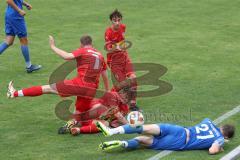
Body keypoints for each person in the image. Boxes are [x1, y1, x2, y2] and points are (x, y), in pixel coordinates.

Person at [7, 35, 109, 132]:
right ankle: (76, 126)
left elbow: (67, 56)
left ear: (82, 44)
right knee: (78, 116)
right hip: (91, 90)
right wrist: (107, 91)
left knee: (47, 89)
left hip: (79, 84)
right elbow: (104, 74)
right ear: (92, 44)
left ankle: (14, 93)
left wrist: (53, 46)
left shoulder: (83, 50)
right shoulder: (100, 55)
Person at [96, 118, 235, 155]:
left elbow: (204, 127)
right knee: (142, 140)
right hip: (179, 142)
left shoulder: (208, 121)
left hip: (177, 130)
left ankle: (111, 131)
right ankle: (122, 143)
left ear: (221, 127)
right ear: (226, 136)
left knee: (143, 128)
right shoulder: (220, 138)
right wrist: (221, 146)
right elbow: (212, 151)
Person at [104, 9, 139, 111]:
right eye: (115, 20)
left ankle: (133, 104)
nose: (117, 22)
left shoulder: (123, 27)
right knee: (123, 84)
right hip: (114, 61)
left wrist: (121, 46)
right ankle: (108, 97)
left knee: (133, 78)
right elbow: (108, 49)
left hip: (124, 57)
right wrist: (116, 47)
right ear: (111, 20)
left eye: (119, 20)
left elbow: (122, 40)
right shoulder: (108, 32)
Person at [0, 0, 41, 73]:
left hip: (10, 15)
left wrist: (25, 4)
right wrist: (19, 10)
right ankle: (29, 66)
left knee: (9, 41)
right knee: (23, 40)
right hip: (15, 17)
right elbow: (9, 0)